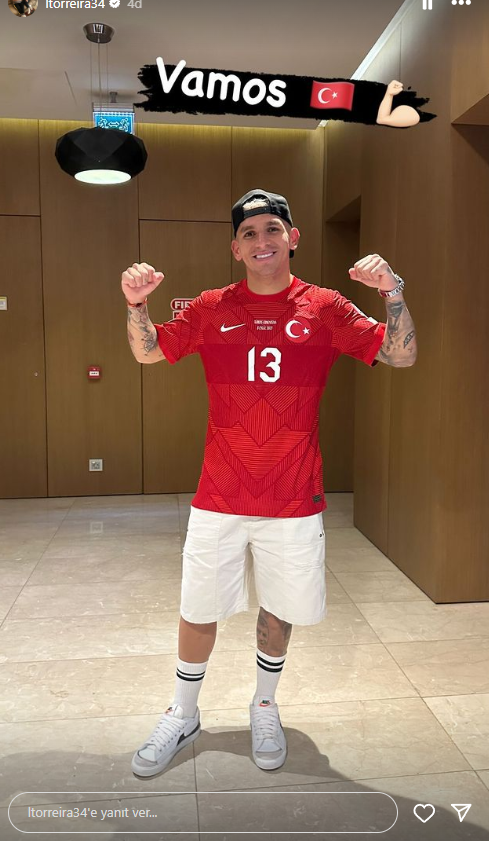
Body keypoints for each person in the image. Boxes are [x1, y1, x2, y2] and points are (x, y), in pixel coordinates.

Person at [121, 188, 417, 778]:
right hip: (220, 492)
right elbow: (149, 353)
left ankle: (264, 705)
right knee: (198, 605)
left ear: (292, 238)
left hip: (293, 495)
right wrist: (136, 304)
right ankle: (183, 713)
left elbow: (399, 356)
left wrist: (392, 291)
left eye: (272, 230)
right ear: (236, 248)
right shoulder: (210, 306)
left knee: (279, 608)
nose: (262, 242)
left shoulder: (325, 307)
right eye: (250, 233)